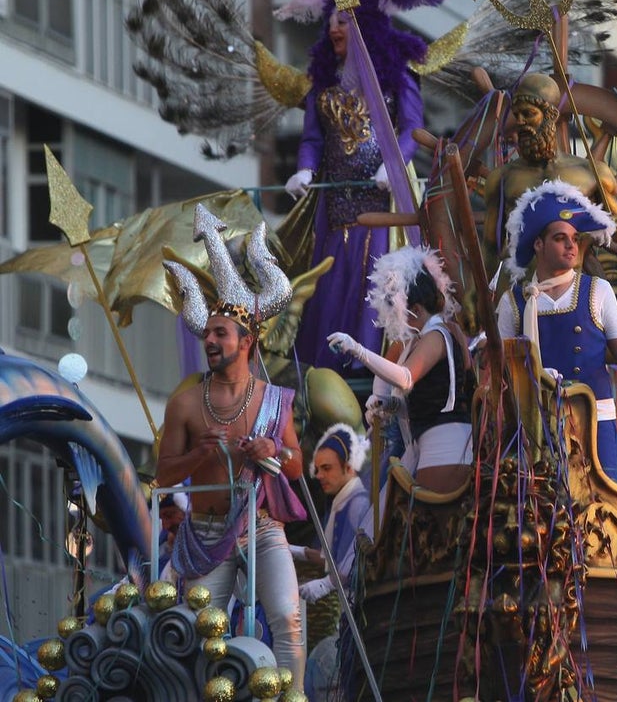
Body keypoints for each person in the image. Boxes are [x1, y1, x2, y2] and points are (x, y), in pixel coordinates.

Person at [280, 0, 450, 376]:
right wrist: (303, 169)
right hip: (335, 210)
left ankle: (370, 364)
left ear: (364, 24)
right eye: (332, 20)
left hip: (383, 207)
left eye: (344, 19)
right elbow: (313, 139)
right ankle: (327, 368)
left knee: (373, 281)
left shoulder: (396, 76)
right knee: (331, 283)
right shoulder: (322, 86)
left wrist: (392, 166)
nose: (335, 28)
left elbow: (411, 129)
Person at [158, 209, 306, 685]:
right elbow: (162, 477)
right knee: (201, 630)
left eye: (221, 334)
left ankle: (295, 696)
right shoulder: (184, 404)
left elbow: (297, 466)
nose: (210, 341)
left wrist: (272, 451)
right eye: (207, 333)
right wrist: (200, 455)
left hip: (261, 528)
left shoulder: (275, 400)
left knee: (287, 617)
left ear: (247, 341)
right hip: (204, 535)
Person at [494, 180, 617, 475]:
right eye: (561, 238)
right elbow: (500, 366)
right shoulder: (513, 302)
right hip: (537, 421)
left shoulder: (598, 290)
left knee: (600, 506)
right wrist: (533, 373)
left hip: (595, 419)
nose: (572, 245)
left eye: (574, 238)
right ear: (538, 244)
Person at [327, 246, 474, 495]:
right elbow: (412, 396)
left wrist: (356, 349)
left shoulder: (437, 335)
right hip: (420, 444)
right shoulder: (419, 337)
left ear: (415, 309)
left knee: (422, 524)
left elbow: (405, 378)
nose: (398, 323)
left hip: (446, 444)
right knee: (382, 520)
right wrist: (386, 406)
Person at [482, 73, 617, 276]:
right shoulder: (502, 178)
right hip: (525, 288)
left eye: (528, 114)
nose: (521, 122)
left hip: (579, 285)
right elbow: (491, 244)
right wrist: (477, 289)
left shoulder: (593, 172)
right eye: (516, 116)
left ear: (550, 115)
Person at [292, 424, 373, 604]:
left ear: (349, 467)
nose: (319, 475)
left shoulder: (357, 505)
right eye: (318, 469)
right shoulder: (341, 502)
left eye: (327, 468)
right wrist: (294, 551)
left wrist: (326, 584)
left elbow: (354, 563)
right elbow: (330, 558)